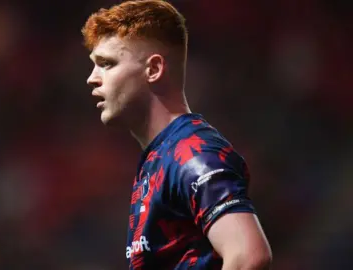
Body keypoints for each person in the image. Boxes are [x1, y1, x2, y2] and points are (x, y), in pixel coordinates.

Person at [81, 0, 272, 269]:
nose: (92, 78)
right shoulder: (160, 157)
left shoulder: (193, 153)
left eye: (107, 64)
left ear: (154, 69)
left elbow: (248, 255)